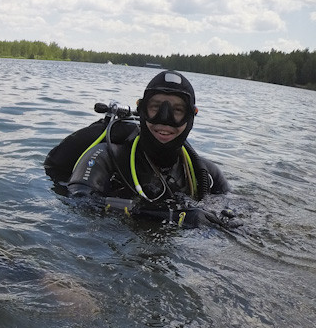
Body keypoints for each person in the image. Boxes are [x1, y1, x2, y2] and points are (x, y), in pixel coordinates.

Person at [53, 70, 233, 227]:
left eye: (177, 110)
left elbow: (235, 215)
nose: (165, 119)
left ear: (191, 117)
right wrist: (174, 217)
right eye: (156, 107)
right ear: (142, 110)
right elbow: (80, 203)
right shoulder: (106, 157)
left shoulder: (207, 174)